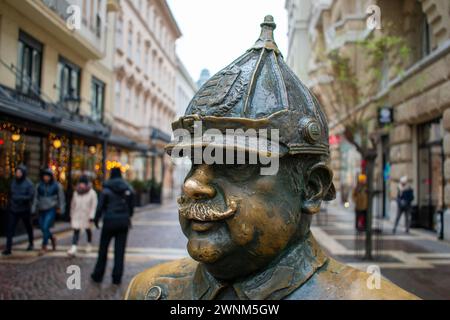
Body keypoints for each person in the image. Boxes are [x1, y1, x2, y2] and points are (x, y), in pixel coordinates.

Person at [126, 16, 417, 300]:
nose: (193, 185)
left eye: (236, 163)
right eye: (194, 162)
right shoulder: (149, 290)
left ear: (312, 188)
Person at [91, 167, 134, 285]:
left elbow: (100, 207)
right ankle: (117, 277)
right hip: (123, 222)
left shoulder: (106, 189)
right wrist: (127, 215)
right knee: (119, 251)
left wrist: (96, 219)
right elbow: (131, 207)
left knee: (103, 250)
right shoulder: (127, 187)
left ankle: (98, 275)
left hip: (109, 221)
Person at [2, 165, 34, 256]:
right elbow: (10, 194)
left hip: (24, 210)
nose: (18, 174)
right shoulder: (13, 182)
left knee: (28, 227)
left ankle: (31, 243)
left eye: (20, 172)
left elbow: (31, 196)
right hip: (13, 209)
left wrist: (20, 198)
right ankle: (8, 248)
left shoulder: (29, 184)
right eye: (17, 172)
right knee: (10, 229)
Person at [32, 168, 65, 255]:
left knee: (46, 226)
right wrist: (33, 208)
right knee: (43, 227)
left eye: (48, 176)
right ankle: (52, 238)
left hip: (51, 208)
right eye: (44, 176)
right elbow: (35, 197)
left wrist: (61, 209)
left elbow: (61, 198)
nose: (46, 178)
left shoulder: (56, 186)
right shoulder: (39, 185)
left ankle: (44, 246)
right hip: (41, 209)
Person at [67, 175, 97, 257]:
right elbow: (72, 204)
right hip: (77, 214)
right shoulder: (76, 192)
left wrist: (92, 216)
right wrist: (71, 214)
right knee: (76, 231)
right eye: (80, 183)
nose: (81, 185)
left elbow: (93, 205)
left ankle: (89, 244)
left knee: (88, 230)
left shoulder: (92, 193)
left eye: (83, 183)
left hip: (87, 215)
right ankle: (73, 247)